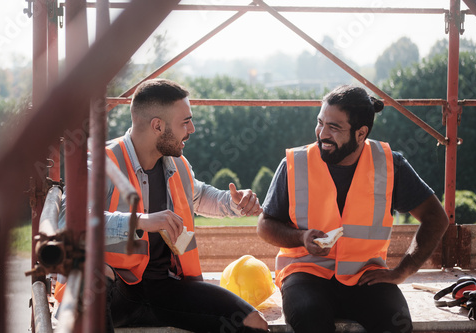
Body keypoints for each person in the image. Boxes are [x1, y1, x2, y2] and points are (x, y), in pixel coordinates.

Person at [58, 79, 268, 333]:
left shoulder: (176, 164)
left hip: (166, 290)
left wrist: (234, 203)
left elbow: (200, 196)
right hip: (114, 295)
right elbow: (70, 221)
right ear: (157, 126)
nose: (191, 129)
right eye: (185, 122)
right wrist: (140, 221)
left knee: (253, 323)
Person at [257, 85, 449, 333]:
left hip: (365, 275)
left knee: (396, 323)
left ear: (361, 133)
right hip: (305, 271)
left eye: (334, 127)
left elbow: (436, 218)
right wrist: (301, 238)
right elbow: (265, 225)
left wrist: (403, 271)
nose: (322, 134)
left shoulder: (390, 164)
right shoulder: (295, 163)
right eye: (320, 122)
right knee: (308, 318)